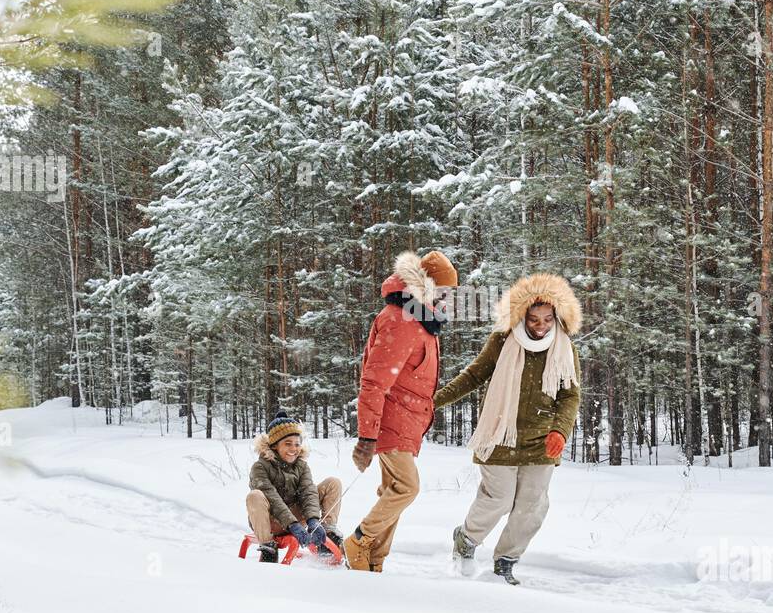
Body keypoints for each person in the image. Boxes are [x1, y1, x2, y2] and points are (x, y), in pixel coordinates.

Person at [434, 273, 581, 585]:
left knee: (532, 507)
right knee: (497, 500)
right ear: (522, 315)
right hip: (501, 434)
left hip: (542, 441)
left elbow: (570, 395)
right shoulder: (503, 340)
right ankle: (467, 539)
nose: (540, 325)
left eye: (546, 318)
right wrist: (434, 402)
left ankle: (505, 562)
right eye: (533, 318)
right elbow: (474, 376)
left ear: (557, 315)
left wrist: (560, 431)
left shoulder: (565, 348)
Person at [343, 249, 459, 572]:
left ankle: (373, 560)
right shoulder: (402, 318)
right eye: (445, 291)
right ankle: (359, 540)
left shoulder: (421, 318)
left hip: (406, 420)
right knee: (407, 487)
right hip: (391, 419)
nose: (448, 299)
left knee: (391, 491)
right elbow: (374, 381)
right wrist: (367, 436)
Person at [245, 410, 343, 562]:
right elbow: (273, 499)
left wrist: (312, 520)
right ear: (275, 445)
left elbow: (309, 492)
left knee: (333, 483)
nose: (294, 449)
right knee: (255, 496)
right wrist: (292, 524)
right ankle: (268, 547)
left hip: (297, 517)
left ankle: (327, 533)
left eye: (297, 444)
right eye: (288, 443)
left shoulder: (301, 466)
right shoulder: (260, 467)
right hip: (272, 522)